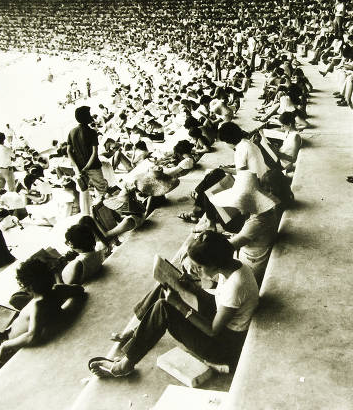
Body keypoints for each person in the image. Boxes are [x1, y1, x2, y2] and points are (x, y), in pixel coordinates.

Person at [89, 230, 259, 377]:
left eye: (199, 267)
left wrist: (179, 305)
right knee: (166, 285)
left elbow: (213, 330)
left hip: (224, 346)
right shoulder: (232, 266)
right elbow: (220, 300)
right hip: (223, 321)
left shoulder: (236, 286)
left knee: (165, 307)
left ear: (214, 264)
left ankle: (124, 365)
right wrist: (192, 287)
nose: (198, 271)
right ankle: (137, 331)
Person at [67, 106, 109, 214]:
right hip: (93, 166)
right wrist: (87, 167)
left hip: (79, 168)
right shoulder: (92, 132)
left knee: (83, 192)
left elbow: (69, 152)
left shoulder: (72, 132)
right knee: (102, 190)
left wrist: (77, 167)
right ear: (86, 117)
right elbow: (94, 153)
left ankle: (86, 215)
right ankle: (105, 216)